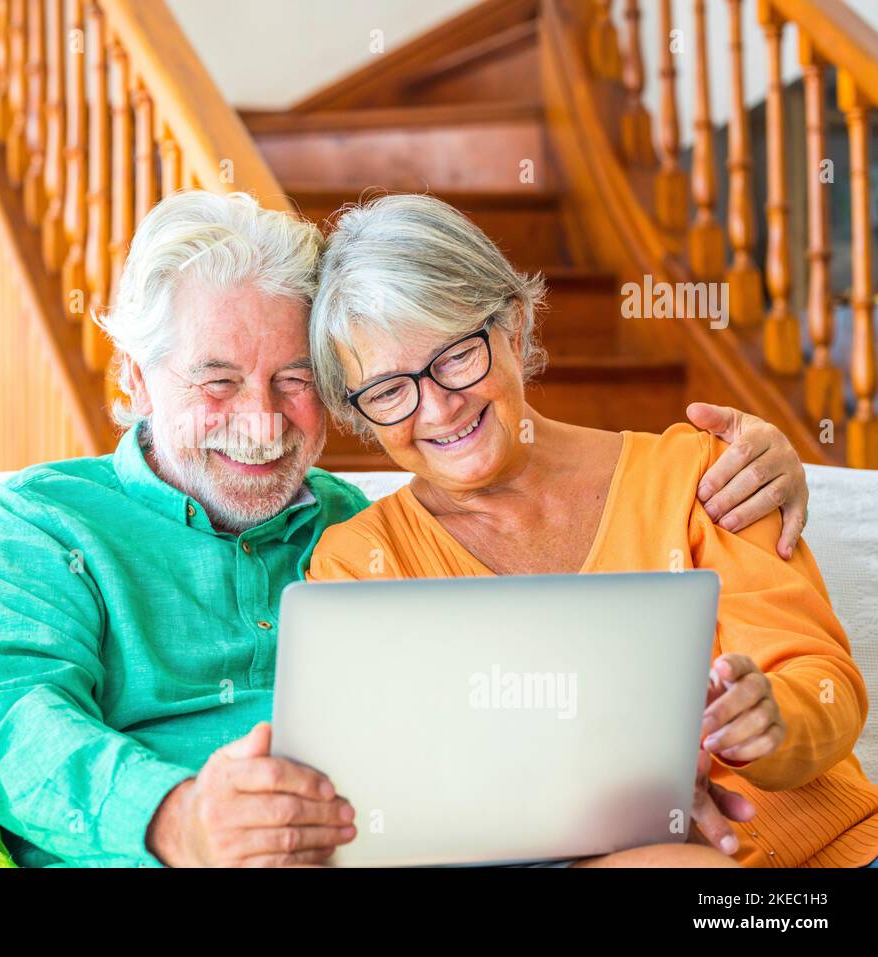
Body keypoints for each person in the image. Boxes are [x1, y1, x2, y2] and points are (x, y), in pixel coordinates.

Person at [0, 190, 811, 867]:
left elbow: (511, 710)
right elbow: (2, 711)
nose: (263, 422)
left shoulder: (376, 530)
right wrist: (179, 818)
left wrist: (623, 792)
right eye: (218, 380)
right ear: (135, 377)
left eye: (292, 379)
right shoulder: (46, 522)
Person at [306, 193, 878, 868]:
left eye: (456, 356)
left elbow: (824, 682)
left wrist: (769, 719)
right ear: (358, 412)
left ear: (513, 327)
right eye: (388, 390)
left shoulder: (699, 475)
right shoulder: (361, 564)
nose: (437, 405)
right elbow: (399, 791)